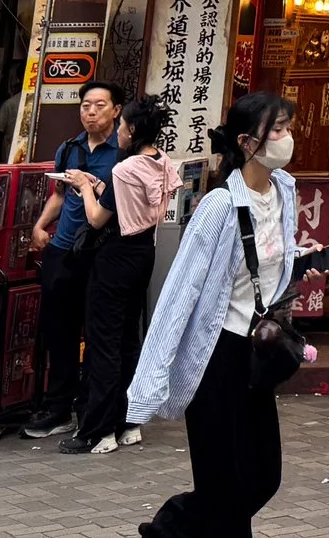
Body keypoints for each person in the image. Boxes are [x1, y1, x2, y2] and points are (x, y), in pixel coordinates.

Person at [128, 90, 307, 538]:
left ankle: (170, 529)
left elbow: (272, 261)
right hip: (215, 356)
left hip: (256, 354)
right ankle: (174, 527)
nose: (287, 138)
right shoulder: (219, 207)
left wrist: (303, 260)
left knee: (263, 476)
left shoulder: (284, 190)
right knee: (226, 486)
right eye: (278, 130)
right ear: (247, 142)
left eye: (288, 127)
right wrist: (149, 384)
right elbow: (178, 294)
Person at [70, 95, 175, 455]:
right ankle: (129, 422)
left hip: (116, 257)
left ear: (131, 129)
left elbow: (97, 218)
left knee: (104, 343)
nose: (118, 132)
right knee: (129, 338)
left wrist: (85, 187)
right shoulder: (161, 161)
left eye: (122, 125)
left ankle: (98, 430)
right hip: (144, 252)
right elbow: (128, 203)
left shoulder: (125, 168)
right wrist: (99, 188)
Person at [24, 79, 122, 438]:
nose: (91, 112)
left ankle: (92, 408)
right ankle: (58, 407)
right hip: (63, 250)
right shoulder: (69, 148)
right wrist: (40, 225)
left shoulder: (124, 153)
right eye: (85, 106)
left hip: (102, 253)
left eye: (99, 105)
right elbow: (60, 195)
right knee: (59, 330)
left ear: (116, 110)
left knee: (98, 334)